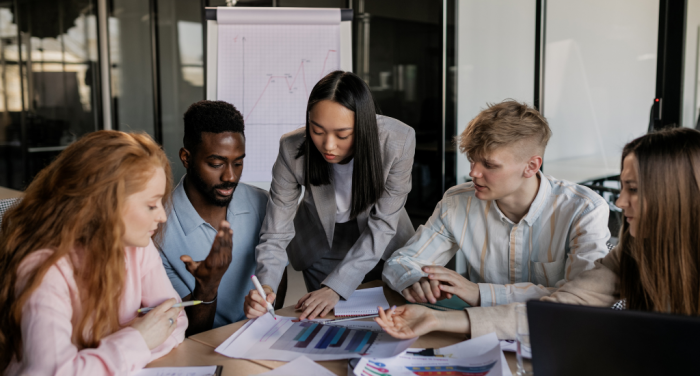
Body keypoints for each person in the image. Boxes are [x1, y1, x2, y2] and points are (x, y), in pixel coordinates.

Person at [375, 127, 700, 340]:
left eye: (633, 189)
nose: (620, 200)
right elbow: (562, 309)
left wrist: (478, 292)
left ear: (676, 194)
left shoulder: (584, 208)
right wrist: (435, 320)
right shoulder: (630, 252)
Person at [383, 100, 610, 307]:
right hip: (478, 334)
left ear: (531, 166)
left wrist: (480, 293)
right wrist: (415, 280)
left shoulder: (584, 210)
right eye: (472, 160)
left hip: (554, 335)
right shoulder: (457, 203)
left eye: (489, 165)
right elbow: (402, 261)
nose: (473, 173)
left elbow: (582, 299)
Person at [0, 131, 187, 375]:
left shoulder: (136, 247)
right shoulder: (44, 268)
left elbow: (176, 320)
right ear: (102, 205)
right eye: (151, 205)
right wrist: (138, 340)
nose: (162, 217)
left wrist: (96, 359)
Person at [244, 70, 416, 320]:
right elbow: (276, 230)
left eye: (342, 134)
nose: (328, 145)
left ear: (364, 126)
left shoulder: (398, 141)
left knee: (385, 321)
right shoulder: (292, 148)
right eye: (317, 130)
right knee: (328, 322)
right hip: (320, 243)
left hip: (381, 241)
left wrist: (337, 286)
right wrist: (266, 286)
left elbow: (382, 225)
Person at [159, 100, 276, 334]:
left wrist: (266, 302)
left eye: (238, 162)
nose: (231, 176)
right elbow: (188, 333)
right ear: (186, 157)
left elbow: (275, 292)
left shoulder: (264, 204)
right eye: (216, 164)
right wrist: (207, 288)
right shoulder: (158, 228)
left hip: (261, 340)